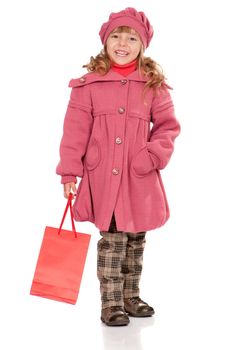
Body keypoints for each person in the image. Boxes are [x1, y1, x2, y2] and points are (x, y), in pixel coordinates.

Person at [56, 7, 181, 326]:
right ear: (105, 40)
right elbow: (74, 132)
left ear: (142, 45)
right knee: (112, 239)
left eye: (131, 37)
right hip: (103, 178)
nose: (122, 43)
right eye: (115, 35)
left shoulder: (153, 85)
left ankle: (130, 294)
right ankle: (111, 303)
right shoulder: (89, 84)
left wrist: (152, 155)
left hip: (139, 178)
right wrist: (70, 172)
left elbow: (168, 126)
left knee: (135, 238)